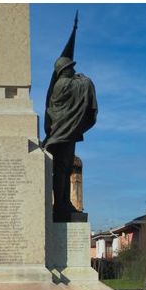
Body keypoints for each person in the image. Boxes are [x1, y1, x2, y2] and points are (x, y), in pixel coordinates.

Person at [43, 12, 97, 221]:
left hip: (66, 134)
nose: (74, 70)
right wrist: (83, 77)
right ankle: (60, 204)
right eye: (71, 68)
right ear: (64, 70)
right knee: (61, 170)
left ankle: (64, 203)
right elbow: (84, 84)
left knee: (64, 170)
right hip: (61, 136)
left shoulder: (63, 83)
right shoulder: (63, 85)